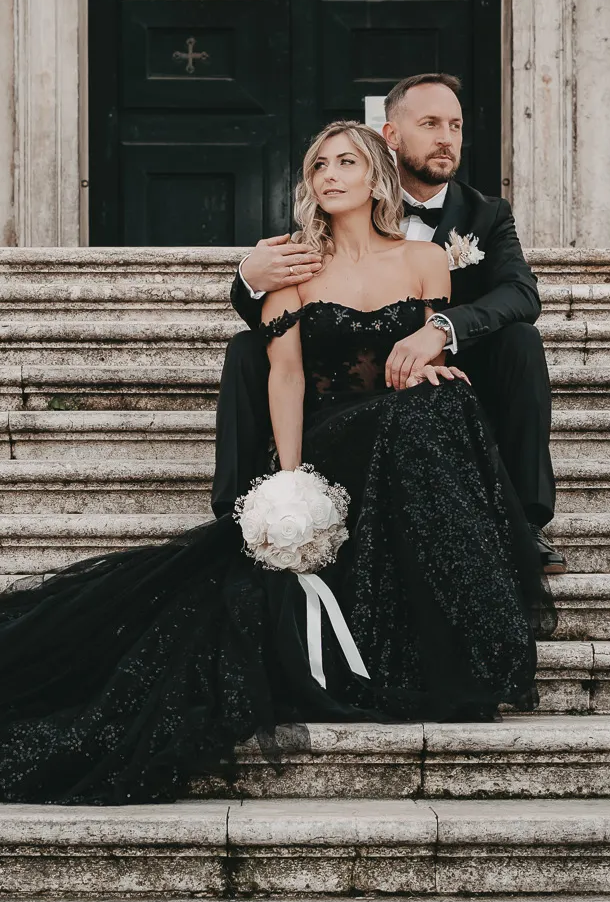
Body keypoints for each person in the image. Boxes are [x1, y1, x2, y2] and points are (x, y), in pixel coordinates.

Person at [0, 121, 553, 806]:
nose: (330, 174)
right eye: (317, 165)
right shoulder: (286, 267)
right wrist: (292, 480)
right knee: (416, 425)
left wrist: (436, 354)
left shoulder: (426, 262)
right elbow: (288, 376)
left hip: (406, 430)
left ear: (377, 178)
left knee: (439, 407)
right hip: (338, 434)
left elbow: (427, 345)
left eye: (345, 161)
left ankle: (455, 637)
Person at [215, 72, 563, 574]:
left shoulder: (485, 214)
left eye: (456, 126)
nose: (446, 137)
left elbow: (520, 294)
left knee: (520, 342)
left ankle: (522, 521)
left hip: (439, 371)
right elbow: (283, 323)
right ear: (391, 138)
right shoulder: (328, 219)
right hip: (335, 385)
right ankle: (250, 512)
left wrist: (440, 328)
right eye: (430, 124)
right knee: (247, 349)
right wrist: (249, 277)